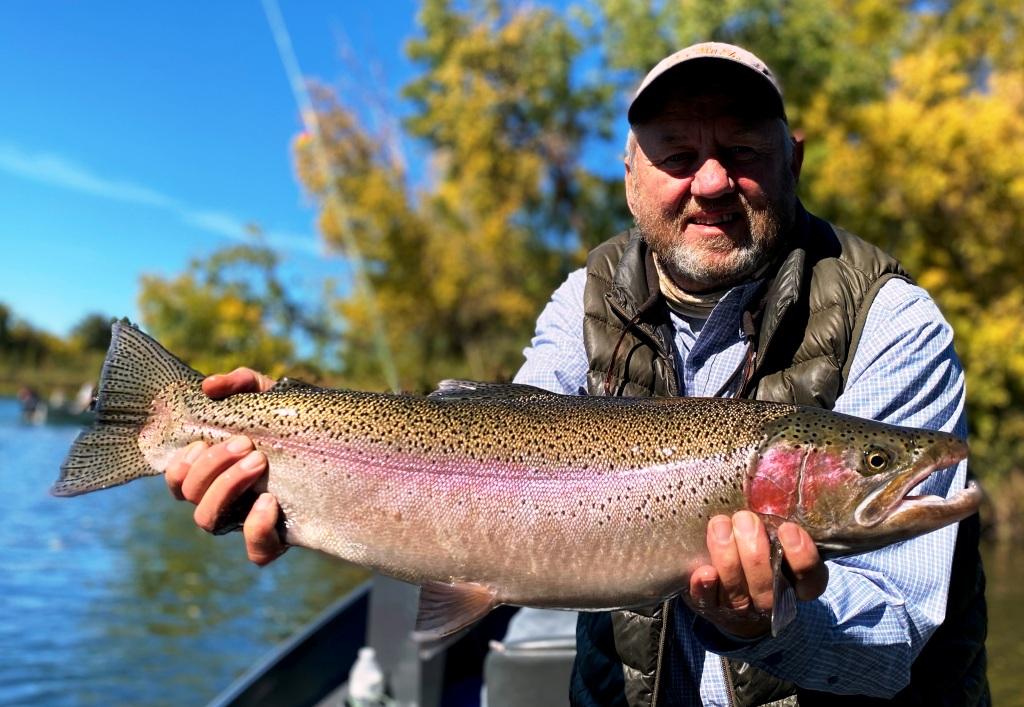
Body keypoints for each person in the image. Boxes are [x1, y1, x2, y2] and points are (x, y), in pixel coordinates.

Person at [164, 42, 987, 706]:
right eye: (677, 154)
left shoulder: (890, 317)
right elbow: (486, 466)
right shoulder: (583, 299)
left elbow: (894, 649)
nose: (709, 182)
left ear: (791, 160)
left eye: (740, 149)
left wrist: (775, 625)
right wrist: (289, 451)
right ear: (630, 175)